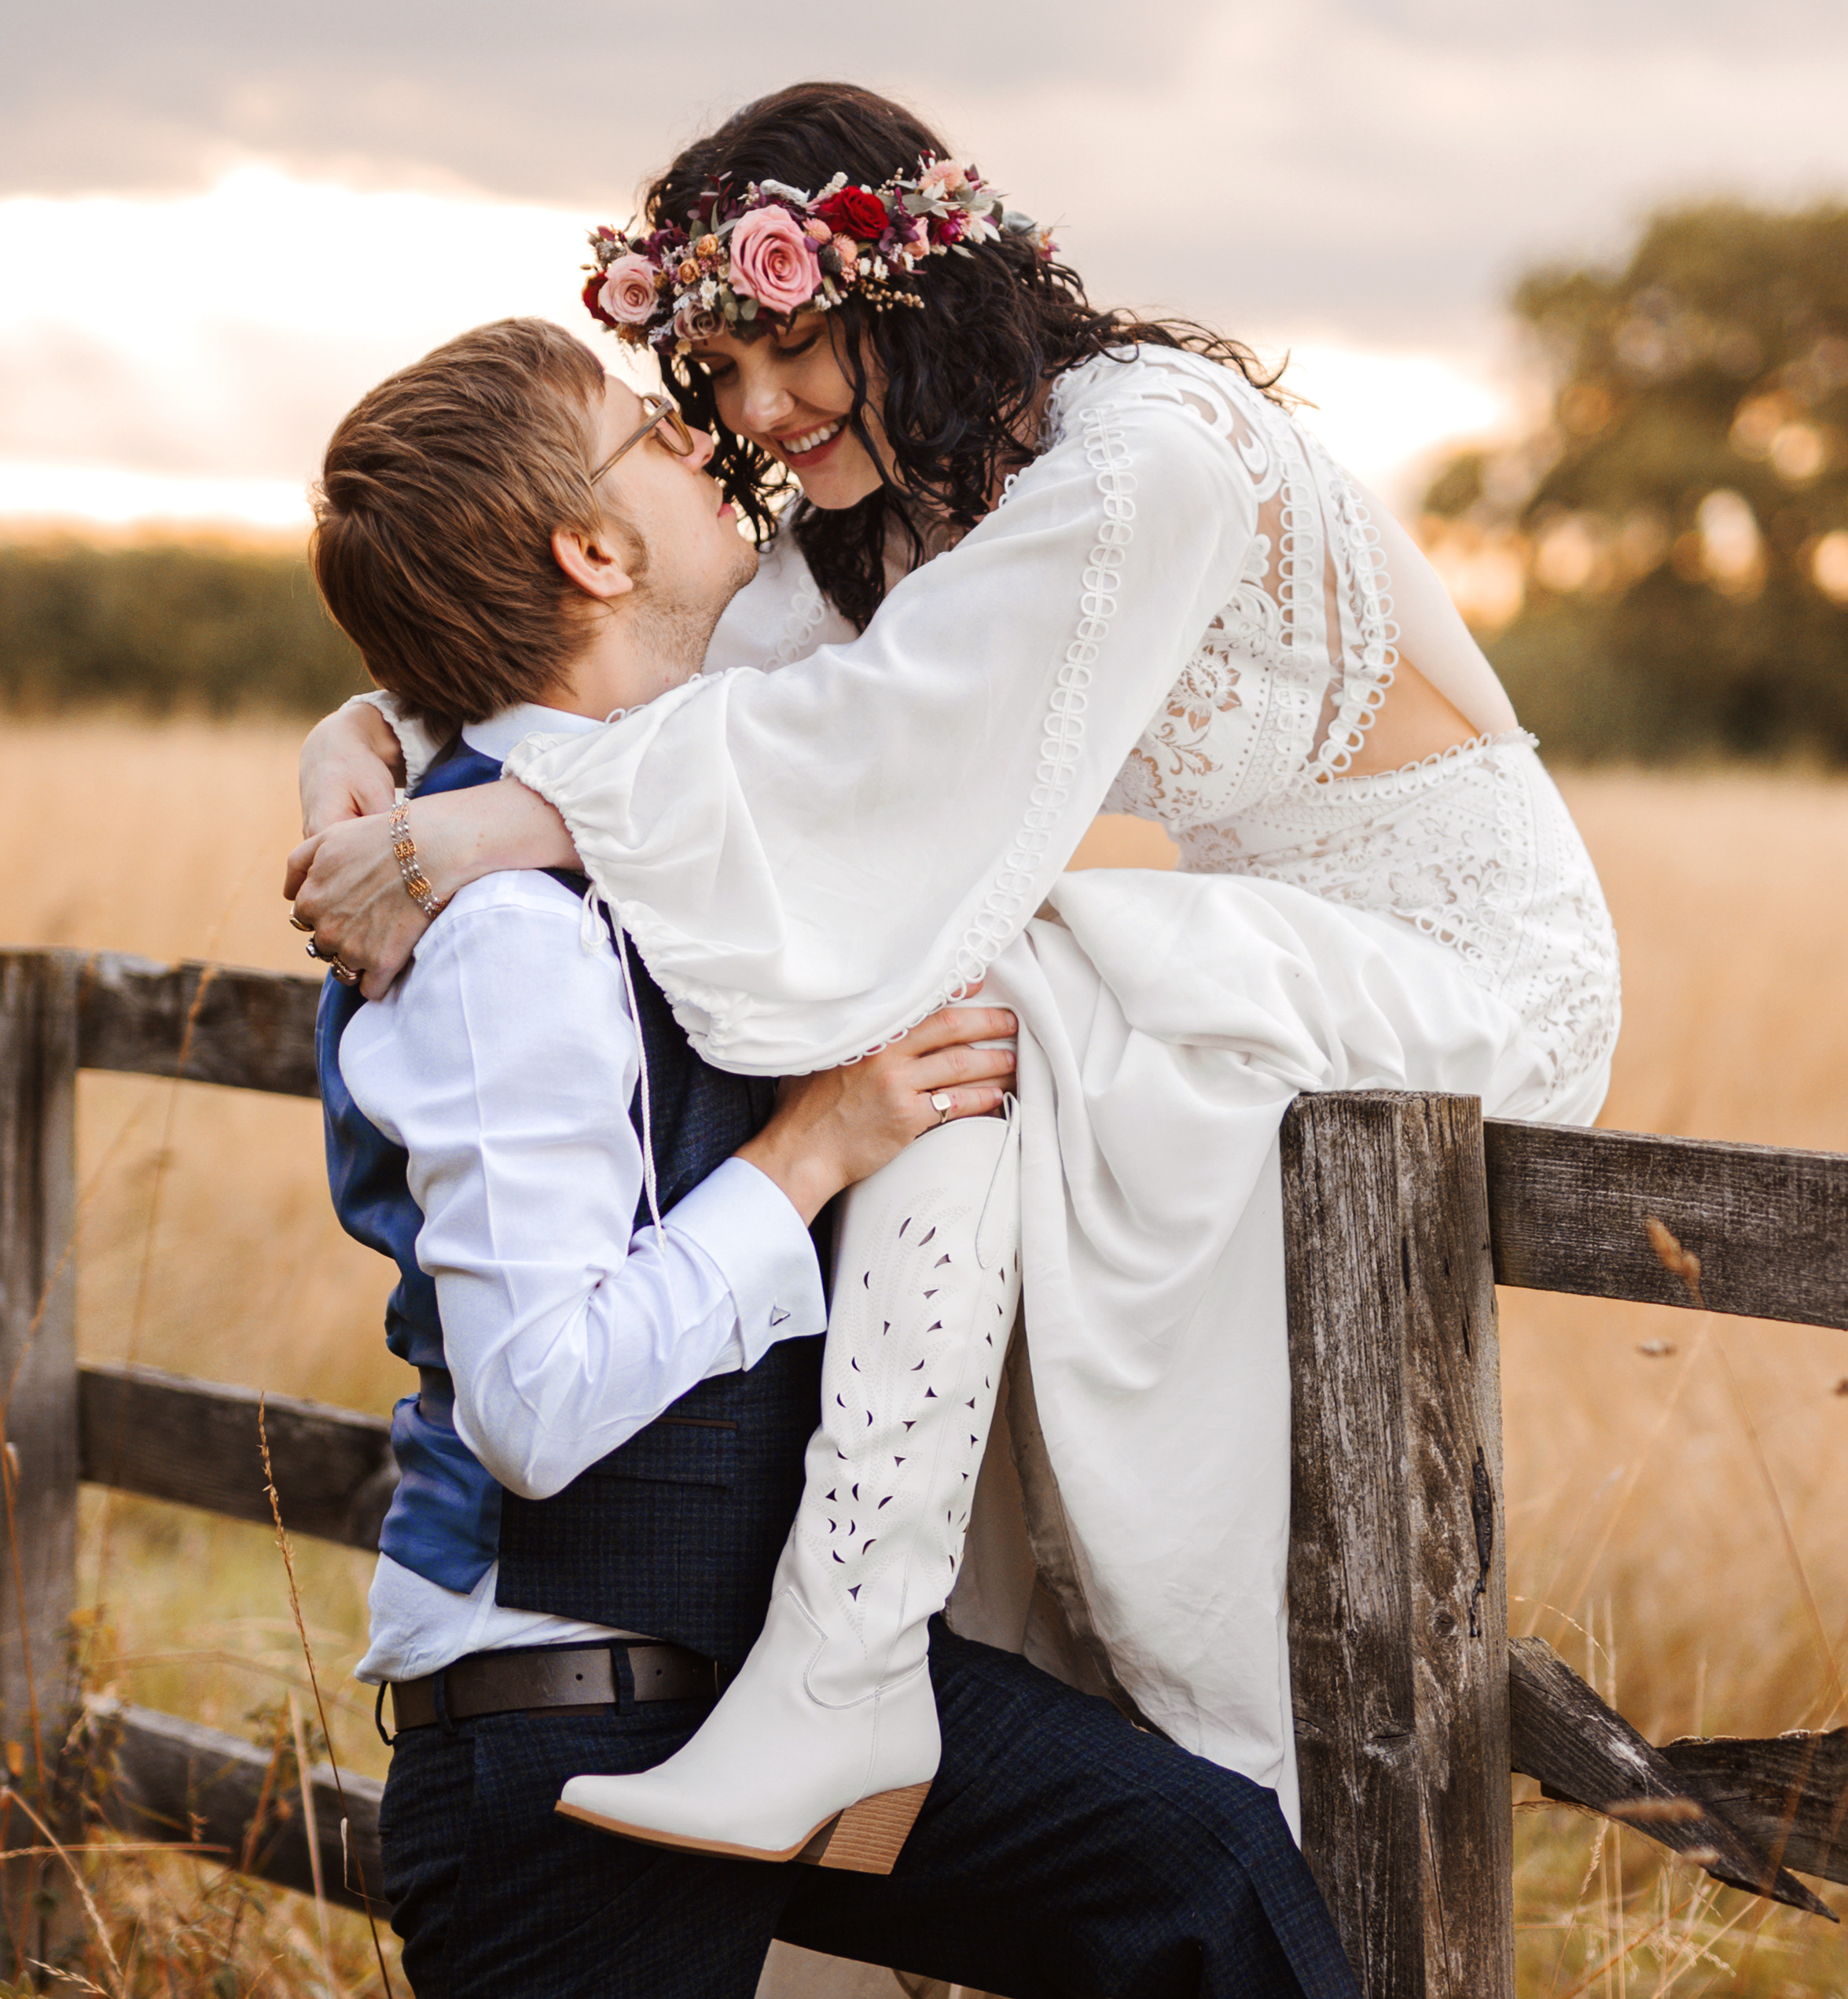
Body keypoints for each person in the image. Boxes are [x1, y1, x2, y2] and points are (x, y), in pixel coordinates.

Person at [290, 82, 1619, 1869]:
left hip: (1466, 974)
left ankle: (849, 1640)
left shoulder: (1143, 458)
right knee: (962, 976)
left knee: (985, 959)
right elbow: (634, 675)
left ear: (908, 291)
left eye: (788, 343)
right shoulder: (903, 507)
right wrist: (364, 745)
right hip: (1275, 976)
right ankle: (864, 1662)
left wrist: (471, 838)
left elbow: (864, 749)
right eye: (716, 371)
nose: (757, 410)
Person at [307, 316, 1361, 1998]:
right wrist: (813, 1150)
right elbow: (531, 1397)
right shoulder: (507, 931)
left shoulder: (663, 806)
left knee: (1203, 1872)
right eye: (655, 424)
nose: (701, 438)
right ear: (592, 549)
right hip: (559, 1743)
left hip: (739, 1679)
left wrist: (348, 725)